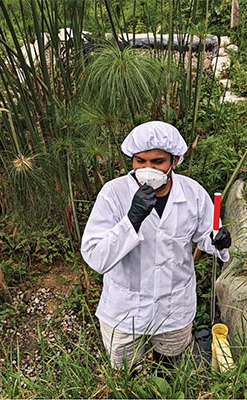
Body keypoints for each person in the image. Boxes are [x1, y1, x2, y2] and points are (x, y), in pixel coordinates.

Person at [80, 121, 232, 371]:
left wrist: (218, 240)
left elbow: (208, 232)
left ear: (174, 161)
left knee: (171, 364)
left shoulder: (193, 193)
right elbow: (96, 257)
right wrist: (132, 220)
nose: (147, 169)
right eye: (140, 161)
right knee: (127, 372)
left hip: (174, 305)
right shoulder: (114, 194)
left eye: (157, 162)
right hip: (125, 309)